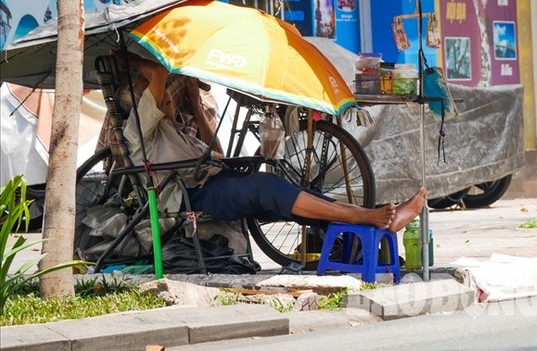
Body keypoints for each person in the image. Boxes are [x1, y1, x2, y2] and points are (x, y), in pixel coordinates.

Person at [119, 53, 426, 232]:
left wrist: (196, 106)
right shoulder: (138, 130)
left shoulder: (171, 129)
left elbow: (218, 154)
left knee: (293, 196)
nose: (168, 97)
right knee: (267, 187)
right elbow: (158, 71)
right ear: (145, 102)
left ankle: (374, 220)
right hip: (191, 196)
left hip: (215, 180)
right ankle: (366, 216)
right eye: (160, 96)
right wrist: (127, 59)